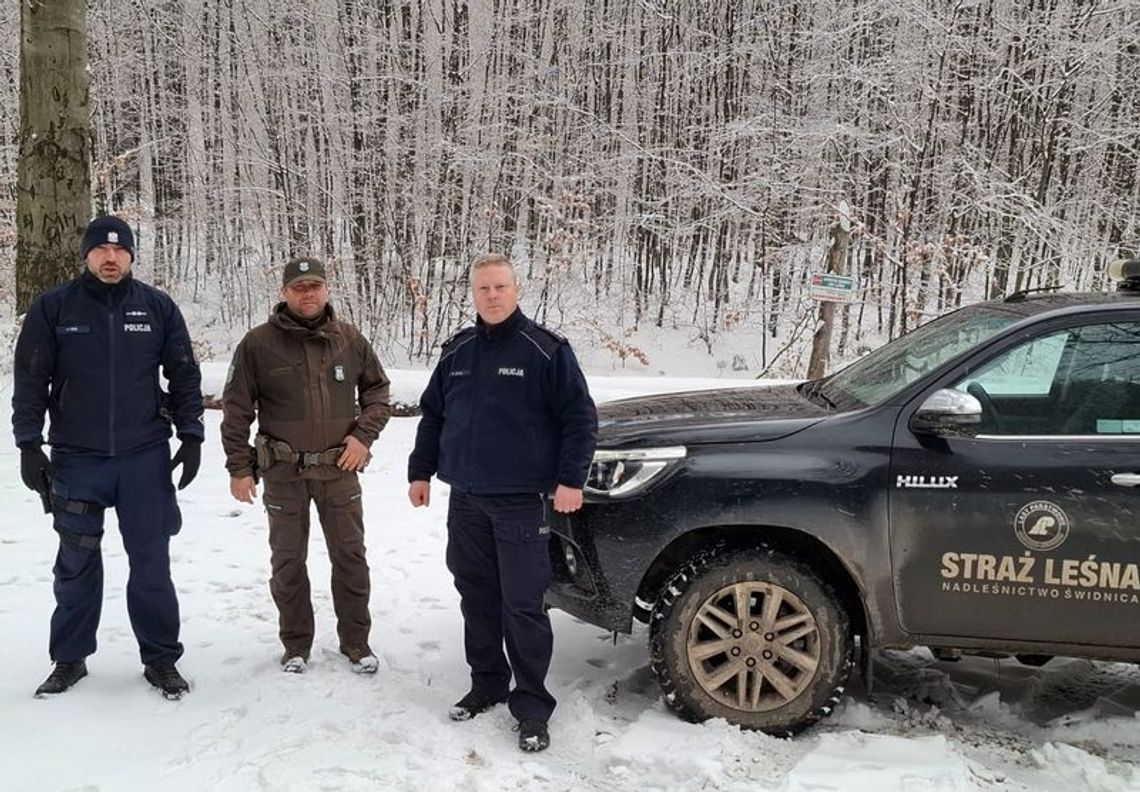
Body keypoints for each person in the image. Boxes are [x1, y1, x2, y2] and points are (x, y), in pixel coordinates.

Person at [407, 252, 597, 752]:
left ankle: (532, 706)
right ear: (473, 294)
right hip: (465, 500)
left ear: (516, 290)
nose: (491, 296)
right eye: (483, 289)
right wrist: (420, 471)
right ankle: (487, 682)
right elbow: (432, 415)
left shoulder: (545, 350)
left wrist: (571, 480)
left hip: (520, 503)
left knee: (523, 606)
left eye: (500, 287)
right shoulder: (457, 351)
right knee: (476, 596)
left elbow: (580, 418)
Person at [12, 215, 204, 700]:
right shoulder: (54, 308)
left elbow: (183, 375)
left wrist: (193, 434)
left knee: (151, 564)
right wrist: (29, 443)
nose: (111, 258)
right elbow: (31, 380)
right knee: (75, 564)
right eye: (101, 250)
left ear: (132, 256)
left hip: (144, 459)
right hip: (78, 459)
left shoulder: (157, 308)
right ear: (87, 255)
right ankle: (69, 659)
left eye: (120, 251)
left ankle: (161, 659)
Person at [221, 256, 391, 675]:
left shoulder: (350, 340)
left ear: (327, 289)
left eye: (315, 285)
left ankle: (357, 643)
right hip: (283, 473)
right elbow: (236, 409)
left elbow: (378, 392)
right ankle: (295, 645)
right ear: (285, 293)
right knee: (287, 561)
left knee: (351, 557)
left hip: (339, 471)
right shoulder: (258, 344)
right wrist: (239, 467)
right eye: (299, 287)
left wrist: (363, 436)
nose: (308, 293)